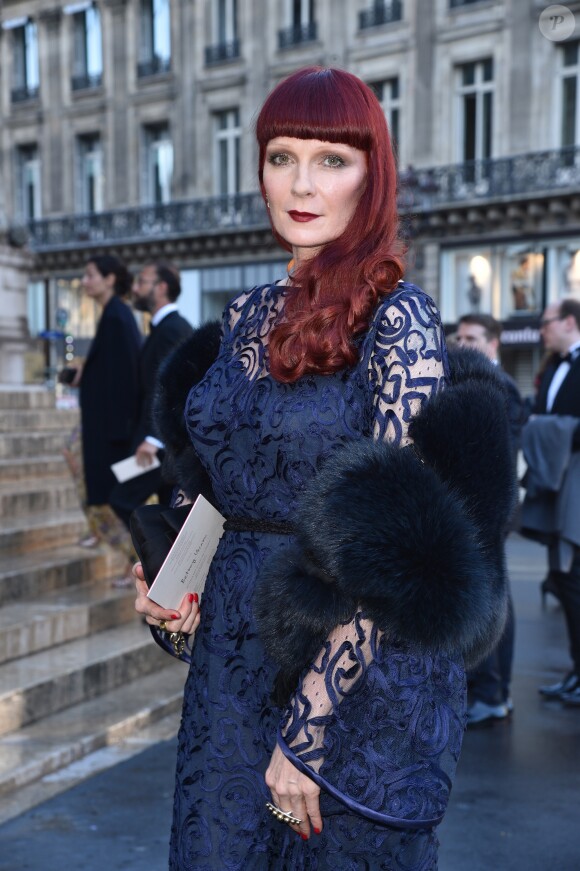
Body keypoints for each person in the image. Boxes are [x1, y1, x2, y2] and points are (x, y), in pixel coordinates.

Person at [133, 67, 514, 869]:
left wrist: (308, 726)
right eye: (281, 157)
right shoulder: (242, 315)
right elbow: (226, 485)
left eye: (332, 159)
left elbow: (398, 546)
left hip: (350, 682)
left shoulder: (397, 317)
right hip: (231, 668)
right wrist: (178, 591)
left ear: (372, 173)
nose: (301, 183)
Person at [456, 314, 525, 726]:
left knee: (493, 600)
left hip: (489, 509)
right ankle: (494, 692)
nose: (463, 342)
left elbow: (502, 460)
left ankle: (492, 693)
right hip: (477, 507)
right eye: (459, 336)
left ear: (494, 343)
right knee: (493, 598)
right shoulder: (475, 380)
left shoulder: (503, 388)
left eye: (473, 337)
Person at [521, 298, 580, 707]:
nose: (542, 330)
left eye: (547, 322)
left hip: (576, 486)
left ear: (570, 322)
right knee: (564, 579)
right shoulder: (553, 367)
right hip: (560, 485)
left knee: (572, 579)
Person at [109, 262, 193, 539]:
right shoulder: (162, 329)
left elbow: (173, 387)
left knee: (122, 498)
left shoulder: (172, 329)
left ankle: (155, 564)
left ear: (161, 288)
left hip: (157, 444)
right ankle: (159, 568)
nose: (134, 288)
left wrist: (154, 439)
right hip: (153, 441)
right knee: (163, 506)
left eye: (141, 282)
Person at [71, 255, 143, 582]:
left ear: (109, 278)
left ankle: (138, 564)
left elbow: (127, 377)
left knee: (113, 500)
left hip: (113, 434)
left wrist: (121, 434)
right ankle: (134, 563)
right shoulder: (114, 315)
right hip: (110, 430)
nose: (84, 281)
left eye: (90, 275)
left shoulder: (116, 316)